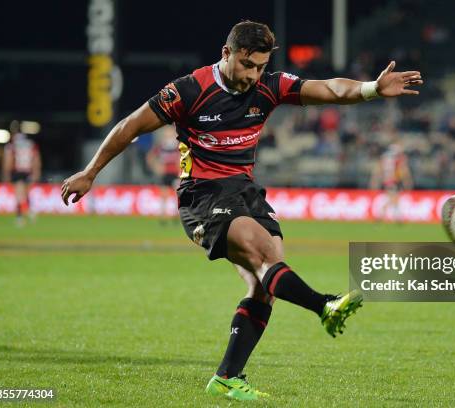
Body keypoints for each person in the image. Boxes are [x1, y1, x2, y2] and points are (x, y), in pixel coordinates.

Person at [61, 21, 423, 401]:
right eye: (247, 64)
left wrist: (371, 90)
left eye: (260, 66)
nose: (253, 75)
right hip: (202, 194)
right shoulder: (189, 90)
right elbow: (130, 126)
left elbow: (330, 89)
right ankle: (324, 304)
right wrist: (90, 172)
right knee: (265, 257)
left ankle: (227, 378)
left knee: (264, 284)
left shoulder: (269, 85)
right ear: (226, 54)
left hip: (246, 192)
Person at [3, 121, 41, 226]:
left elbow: (9, 160)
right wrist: (36, 171)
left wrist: (6, 173)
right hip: (28, 171)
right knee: (25, 193)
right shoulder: (30, 143)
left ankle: (20, 217)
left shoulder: (12, 144)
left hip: (18, 171)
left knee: (19, 194)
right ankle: (30, 212)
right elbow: (36, 158)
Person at [370, 141, 413, 222]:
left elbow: (378, 170)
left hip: (386, 180)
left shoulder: (384, 158)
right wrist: (407, 181)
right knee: (393, 198)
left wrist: (375, 180)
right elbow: (403, 170)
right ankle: (383, 215)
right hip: (393, 180)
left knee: (394, 198)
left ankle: (396, 217)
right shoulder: (397, 159)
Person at [146, 127, 181, 224]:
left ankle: (176, 216)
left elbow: (184, 156)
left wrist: (181, 166)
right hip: (165, 174)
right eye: (167, 134)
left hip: (175, 173)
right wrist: (156, 167)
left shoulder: (178, 146)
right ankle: (163, 217)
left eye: (170, 133)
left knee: (177, 195)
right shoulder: (161, 146)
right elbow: (150, 157)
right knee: (164, 196)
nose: (169, 135)